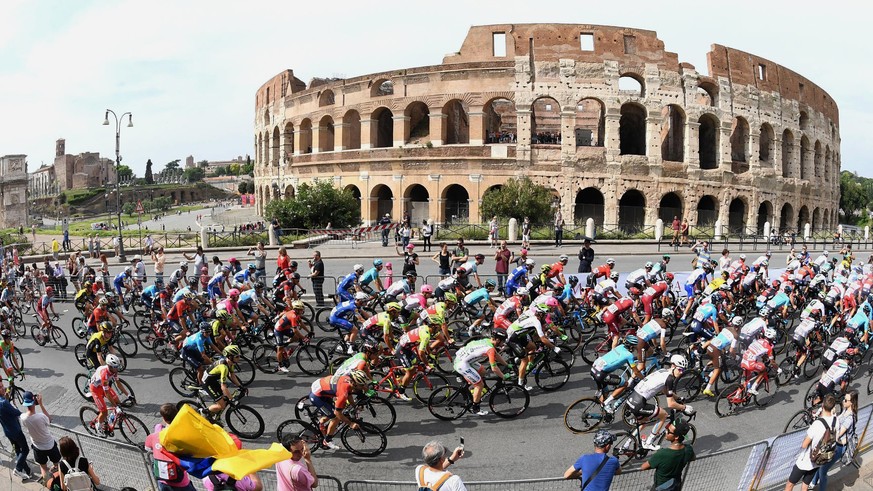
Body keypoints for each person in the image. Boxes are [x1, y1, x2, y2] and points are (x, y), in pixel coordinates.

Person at [785, 393, 838, 491]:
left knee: (790, 484)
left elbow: (804, 444)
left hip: (806, 461)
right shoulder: (836, 420)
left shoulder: (817, 424)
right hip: (819, 460)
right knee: (805, 485)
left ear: (822, 405)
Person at [811, 390, 858, 490]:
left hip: (839, 447)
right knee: (819, 464)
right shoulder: (845, 411)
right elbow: (837, 421)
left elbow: (837, 433)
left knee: (823, 470)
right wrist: (833, 415)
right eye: (843, 398)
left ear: (851, 403)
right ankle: (813, 483)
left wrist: (831, 416)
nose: (843, 401)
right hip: (835, 444)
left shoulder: (850, 418)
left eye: (846, 400)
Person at [146, 404, 196, 491]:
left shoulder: (154, 436)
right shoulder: (182, 436)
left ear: (164, 418)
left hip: (162, 480)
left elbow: (147, 448)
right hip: (181, 482)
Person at [640, 421, 695, 490]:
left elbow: (643, 467)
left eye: (669, 431)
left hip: (661, 487)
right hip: (676, 485)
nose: (666, 432)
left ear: (676, 437)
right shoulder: (688, 449)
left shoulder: (662, 454)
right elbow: (693, 458)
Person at [20, 392, 60, 484]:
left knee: (43, 467)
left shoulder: (23, 418)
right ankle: (60, 481)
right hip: (50, 444)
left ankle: (50, 485)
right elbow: (49, 419)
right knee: (57, 463)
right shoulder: (41, 417)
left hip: (37, 447)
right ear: (34, 401)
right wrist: (41, 405)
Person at [0, 390, 32, 480]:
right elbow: (16, 412)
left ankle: (27, 471)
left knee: (18, 450)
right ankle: (18, 469)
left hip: (8, 432)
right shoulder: (3, 403)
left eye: (2, 386)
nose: (3, 388)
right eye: (0, 387)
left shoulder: (3, 401)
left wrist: (6, 399)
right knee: (25, 449)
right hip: (15, 431)